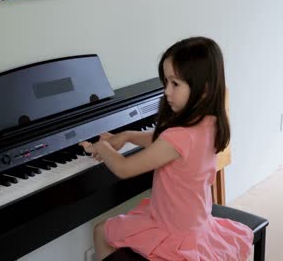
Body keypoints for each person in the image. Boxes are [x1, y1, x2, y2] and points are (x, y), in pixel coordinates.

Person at [79, 36, 254, 261]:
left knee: (101, 231)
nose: (166, 92)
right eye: (166, 83)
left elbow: (124, 168)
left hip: (172, 231)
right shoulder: (209, 121)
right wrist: (128, 136)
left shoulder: (179, 136)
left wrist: (103, 147)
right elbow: (163, 142)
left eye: (175, 84)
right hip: (194, 221)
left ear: (203, 88)